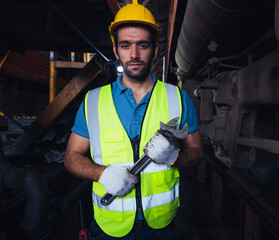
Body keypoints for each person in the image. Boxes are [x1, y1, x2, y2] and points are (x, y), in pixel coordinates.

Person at [64, 0, 203, 239]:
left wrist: (175, 158)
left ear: (155, 50)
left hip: (162, 226)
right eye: (126, 45)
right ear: (116, 50)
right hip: (109, 226)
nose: (135, 54)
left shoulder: (178, 99)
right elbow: (71, 158)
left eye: (143, 45)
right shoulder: (92, 101)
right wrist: (102, 174)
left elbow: (197, 153)